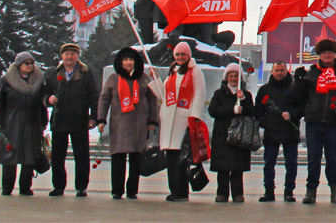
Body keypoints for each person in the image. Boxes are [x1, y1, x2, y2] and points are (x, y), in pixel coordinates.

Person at [295, 38, 336, 204]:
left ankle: (335, 190)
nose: (327, 55)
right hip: (313, 121)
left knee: (332, 159)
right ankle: (311, 191)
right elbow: (299, 97)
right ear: (319, 55)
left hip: (333, 121)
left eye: (330, 52)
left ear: (335, 54)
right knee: (313, 159)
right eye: (323, 52)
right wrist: (298, 81)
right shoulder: (311, 73)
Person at [96, 47, 159, 199]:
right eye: (125, 60)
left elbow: (153, 98)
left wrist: (153, 120)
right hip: (119, 125)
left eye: (131, 60)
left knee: (136, 159)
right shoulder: (114, 78)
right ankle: (117, 190)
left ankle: (132, 190)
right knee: (118, 158)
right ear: (120, 62)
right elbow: (104, 99)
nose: (128, 63)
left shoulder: (143, 79)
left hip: (139, 124)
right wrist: (101, 119)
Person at [45, 42, 98, 197]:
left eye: (72, 54)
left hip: (79, 119)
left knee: (81, 156)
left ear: (77, 56)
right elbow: (45, 93)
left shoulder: (86, 73)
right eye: (66, 54)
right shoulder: (54, 73)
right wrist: (49, 99)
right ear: (62, 56)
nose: (69, 57)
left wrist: (93, 117)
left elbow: (94, 96)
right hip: (59, 119)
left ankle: (81, 186)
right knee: (57, 156)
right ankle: (58, 186)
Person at [0, 51, 49, 196]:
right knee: (9, 157)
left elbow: (42, 104)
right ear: (18, 65)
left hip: (32, 123)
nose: (29, 66)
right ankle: (7, 187)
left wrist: (44, 120)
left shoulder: (38, 80)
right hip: (11, 123)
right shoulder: (7, 80)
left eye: (31, 63)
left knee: (29, 156)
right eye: (26, 63)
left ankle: (25, 187)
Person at [159, 41, 206, 202]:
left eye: (183, 54)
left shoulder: (195, 71)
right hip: (169, 121)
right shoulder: (172, 72)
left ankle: (181, 191)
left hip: (184, 120)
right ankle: (174, 189)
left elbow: (199, 95)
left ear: (188, 56)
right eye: (177, 54)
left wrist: (195, 117)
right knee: (171, 158)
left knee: (181, 159)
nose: (180, 57)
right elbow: (164, 94)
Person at [254, 60, 300, 202]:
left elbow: (302, 107)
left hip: (290, 131)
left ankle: (289, 191)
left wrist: (292, 114)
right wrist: (265, 123)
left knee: (291, 163)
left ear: (287, 71)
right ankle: (269, 191)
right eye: (277, 70)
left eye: (282, 70)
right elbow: (258, 110)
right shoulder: (264, 90)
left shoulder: (295, 88)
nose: (279, 73)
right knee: (269, 163)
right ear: (272, 71)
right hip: (271, 131)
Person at [209, 63, 254, 202]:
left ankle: (238, 193)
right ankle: (222, 193)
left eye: (236, 76)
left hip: (240, 135)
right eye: (231, 76)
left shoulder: (246, 95)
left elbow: (251, 112)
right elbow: (213, 111)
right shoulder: (219, 93)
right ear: (226, 78)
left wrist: (243, 100)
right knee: (223, 167)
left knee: (237, 167)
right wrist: (232, 110)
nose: (233, 78)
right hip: (222, 135)